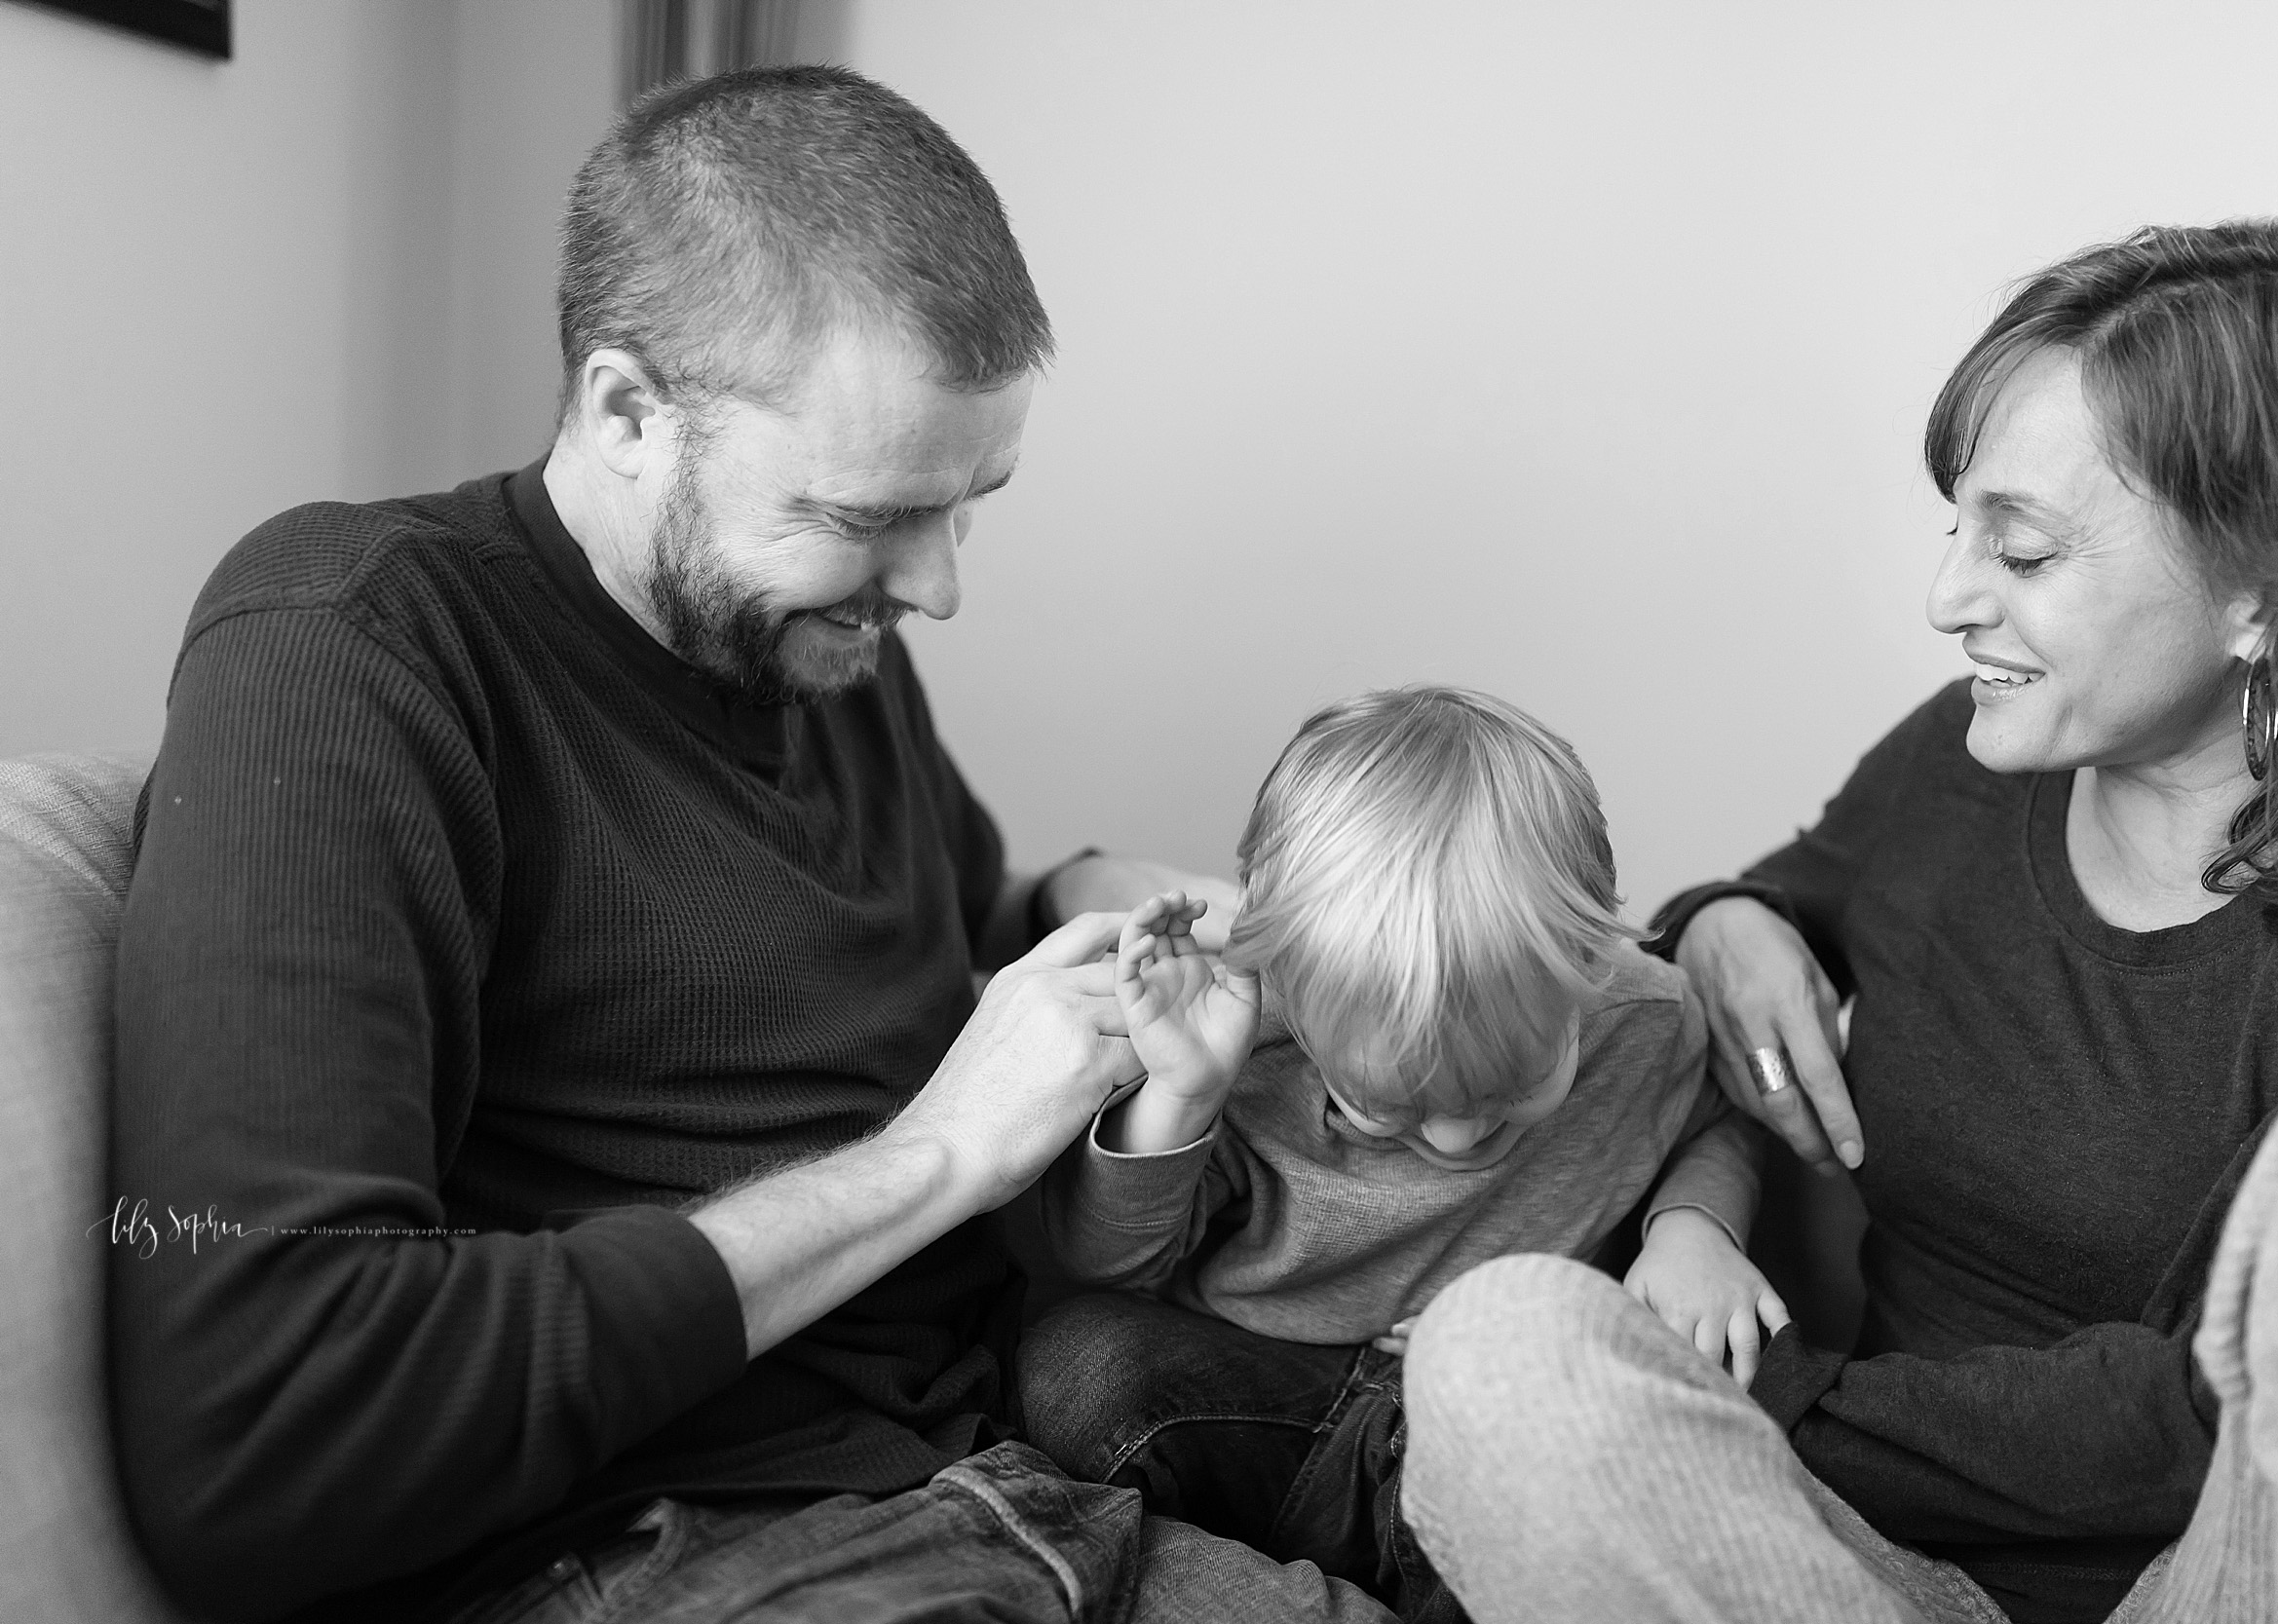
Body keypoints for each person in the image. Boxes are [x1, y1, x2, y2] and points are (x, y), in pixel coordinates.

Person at [107, 66, 1393, 1624]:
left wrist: (1069, 899)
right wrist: (936, 1155)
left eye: (969, 503)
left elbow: (901, 940)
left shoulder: (817, 649)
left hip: (1024, 1460)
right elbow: (266, 1426)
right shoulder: (351, 644)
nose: (935, 590)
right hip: (693, 1546)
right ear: (628, 410)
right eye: (867, 515)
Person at [1387, 218, 2278, 1624]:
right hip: (1866, 1563)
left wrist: (1757, 1397)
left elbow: (2188, 1420)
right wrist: (1726, 917)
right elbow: (1782, 890)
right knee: (1495, 1349)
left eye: (2025, 550)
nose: (1950, 598)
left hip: (2204, 1578)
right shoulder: (1968, 752)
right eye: (1961, 531)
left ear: (2274, 594)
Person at [1020, 687, 1780, 1621]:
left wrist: (1694, 1229)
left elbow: (1718, 1121)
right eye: (1388, 1105)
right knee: (1074, 1367)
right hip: (1267, 1388)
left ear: (1587, 970)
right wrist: (1183, 1093)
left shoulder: (1645, 1020)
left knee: (1583, 1496)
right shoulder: (1253, 1049)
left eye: (1512, 1089)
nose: (1459, 1137)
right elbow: (1106, 1264)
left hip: (1475, 1431)